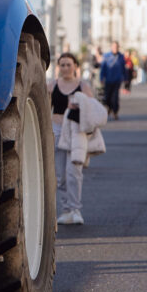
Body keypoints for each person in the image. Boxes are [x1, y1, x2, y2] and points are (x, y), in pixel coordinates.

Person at [48, 52, 95, 225]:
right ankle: (66, 209)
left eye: (69, 64)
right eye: (62, 65)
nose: (66, 68)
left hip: (76, 130)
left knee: (74, 171)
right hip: (57, 129)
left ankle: (76, 209)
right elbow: (46, 110)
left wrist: (80, 105)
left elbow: (93, 110)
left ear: (75, 66)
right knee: (60, 174)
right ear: (58, 67)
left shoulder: (83, 86)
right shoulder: (52, 86)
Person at [99, 41, 126, 119]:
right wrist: (101, 78)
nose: (115, 48)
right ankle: (109, 108)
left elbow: (123, 68)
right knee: (107, 97)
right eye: (114, 47)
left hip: (117, 80)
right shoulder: (106, 56)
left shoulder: (121, 56)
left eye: (116, 47)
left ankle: (115, 112)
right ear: (111, 47)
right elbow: (103, 67)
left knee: (115, 97)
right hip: (108, 79)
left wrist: (125, 78)